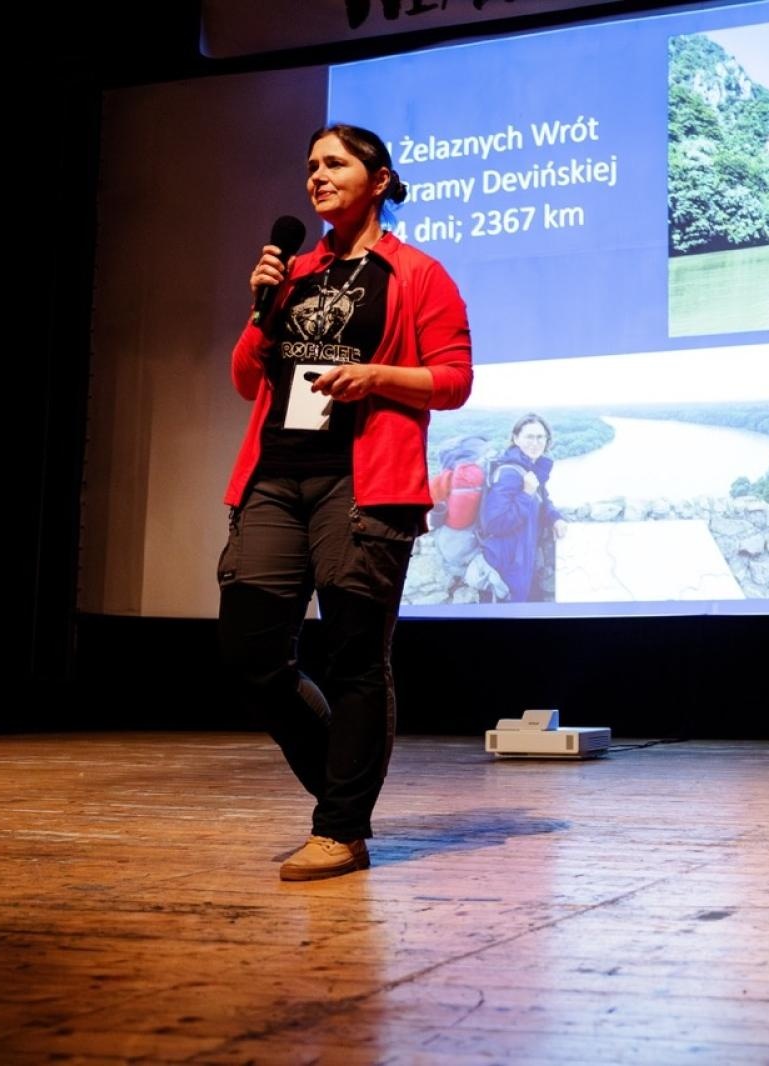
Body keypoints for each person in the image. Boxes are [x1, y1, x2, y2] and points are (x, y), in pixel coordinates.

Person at [217, 123, 472, 881]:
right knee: (251, 654)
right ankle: (344, 790)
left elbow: (454, 382)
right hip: (273, 476)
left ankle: (340, 829)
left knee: (357, 657)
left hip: (363, 484)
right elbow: (245, 380)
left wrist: (376, 376)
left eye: (333, 164)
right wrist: (260, 306)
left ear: (380, 180)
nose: (316, 177)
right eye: (309, 167)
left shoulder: (418, 274)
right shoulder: (291, 275)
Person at [479, 414, 568, 602]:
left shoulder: (530, 469)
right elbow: (494, 523)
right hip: (506, 563)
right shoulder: (509, 473)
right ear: (516, 438)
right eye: (529, 437)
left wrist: (555, 518)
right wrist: (526, 494)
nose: (535, 443)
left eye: (540, 437)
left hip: (521, 559)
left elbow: (542, 500)